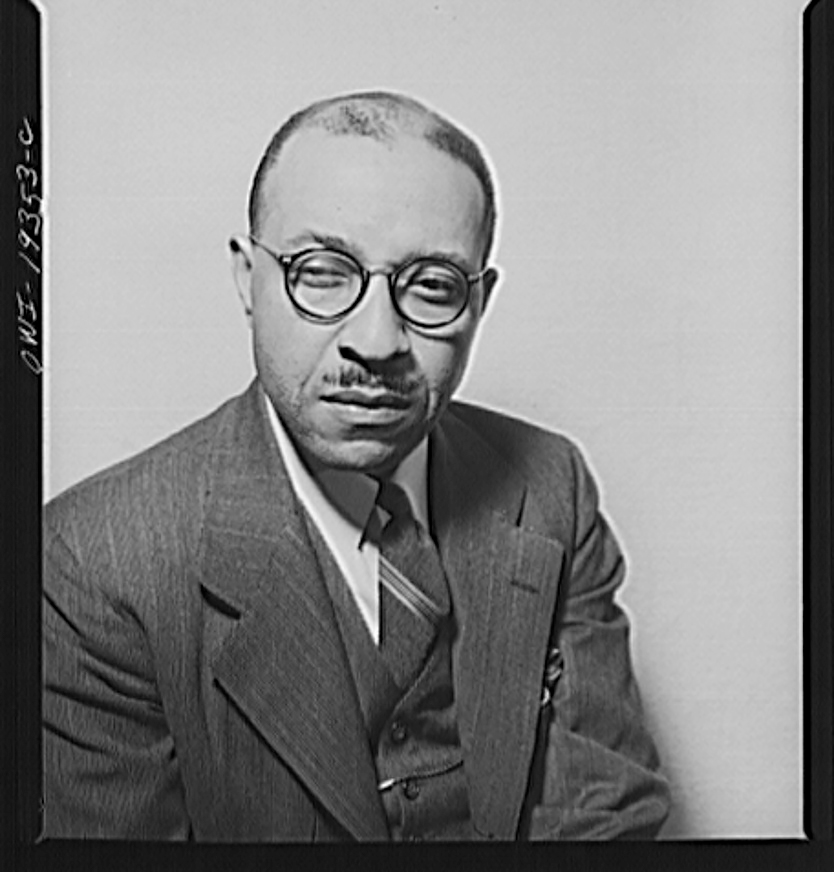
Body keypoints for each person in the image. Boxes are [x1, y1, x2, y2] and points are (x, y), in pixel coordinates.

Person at [42, 90, 671, 841]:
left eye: (432, 286)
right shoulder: (95, 558)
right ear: (249, 279)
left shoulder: (548, 487)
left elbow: (602, 819)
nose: (376, 341)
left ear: (481, 303)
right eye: (322, 273)